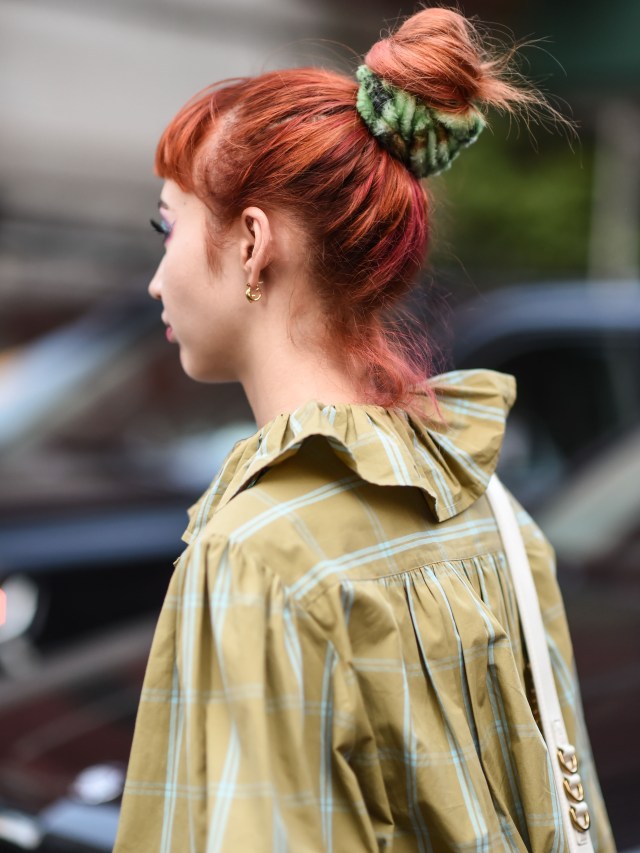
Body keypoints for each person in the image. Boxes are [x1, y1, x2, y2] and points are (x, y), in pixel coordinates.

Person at [114, 7, 615, 852]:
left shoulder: (261, 554)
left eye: (169, 226)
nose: (158, 278)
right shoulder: (493, 510)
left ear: (252, 244)